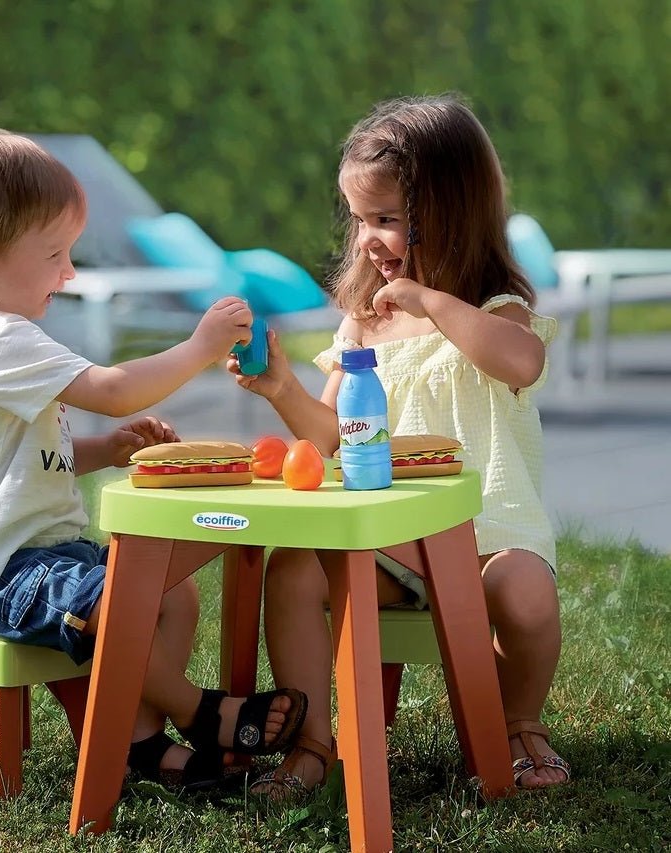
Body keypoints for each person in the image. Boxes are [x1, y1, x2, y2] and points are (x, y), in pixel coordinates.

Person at [0, 128, 307, 791]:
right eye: (54, 254)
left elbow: (37, 457)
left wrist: (106, 447)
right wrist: (201, 344)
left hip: (48, 554)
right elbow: (115, 387)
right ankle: (199, 711)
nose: (69, 272)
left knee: (169, 591)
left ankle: (140, 742)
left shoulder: (9, 338)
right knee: (122, 601)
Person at [228, 95, 570, 796]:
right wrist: (280, 388)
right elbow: (330, 436)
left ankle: (517, 725)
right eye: (358, 220)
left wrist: (433, 304)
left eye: (384, 220)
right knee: (293, 568)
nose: (365, 240)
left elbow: (521, 363)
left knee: (527, 590)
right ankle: (310, 745)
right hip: (395, 545)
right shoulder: (361, 327)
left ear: (450, 212)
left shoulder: (493, 310)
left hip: (486, 541)